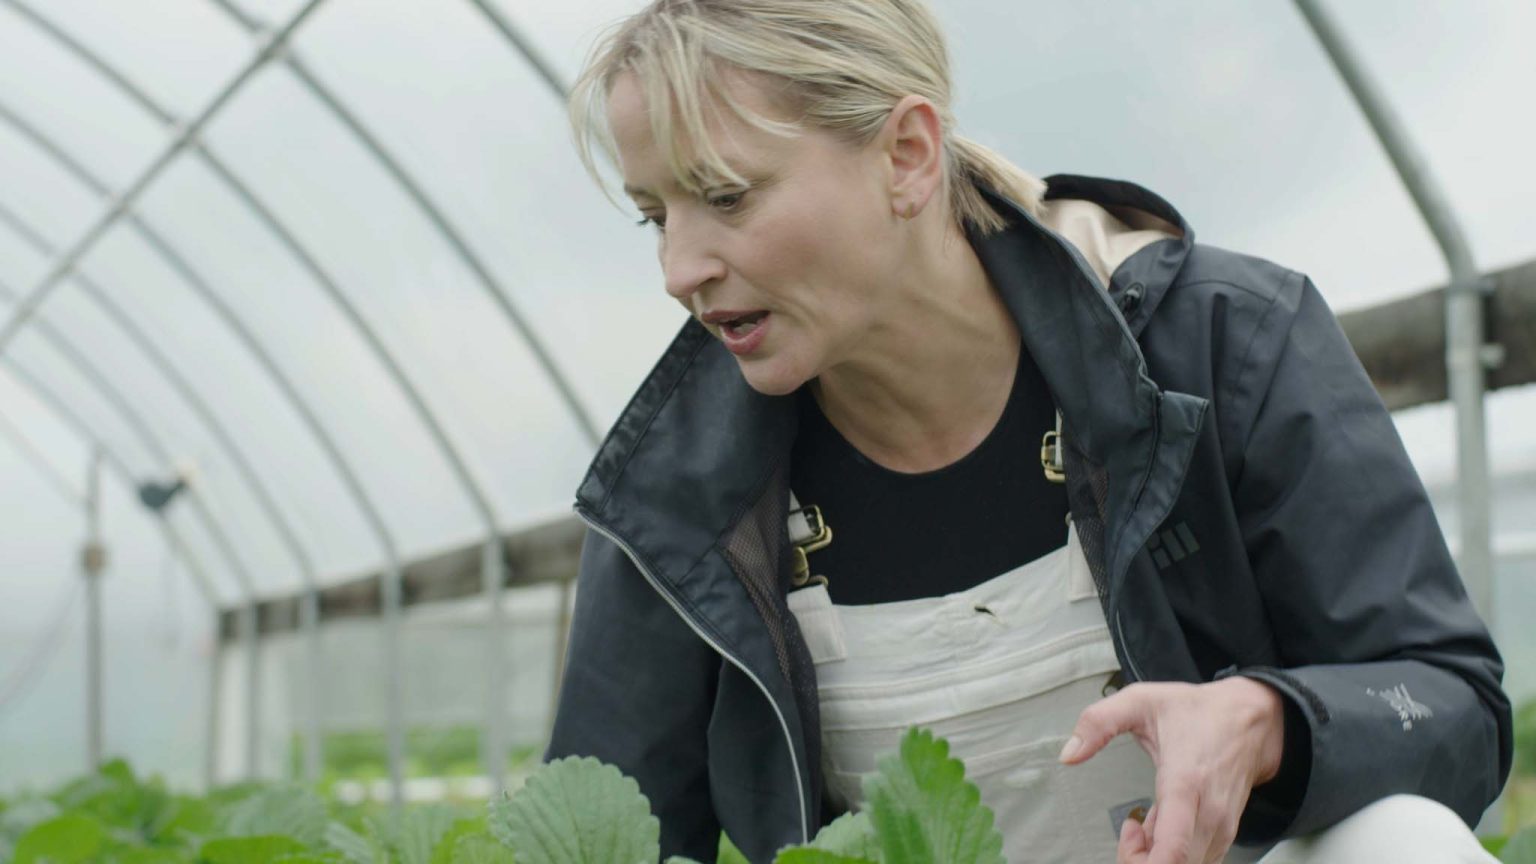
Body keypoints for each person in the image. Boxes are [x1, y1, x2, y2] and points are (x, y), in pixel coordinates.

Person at [546, 1, 1512, 862]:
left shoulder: (1222, 344)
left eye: (726, 196)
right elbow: (601, 839)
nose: (679, 269)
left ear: (907, 155)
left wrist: (1269, 723)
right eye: (654, 217)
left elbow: (1452, 707)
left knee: (1403, 843)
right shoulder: (672, 488)